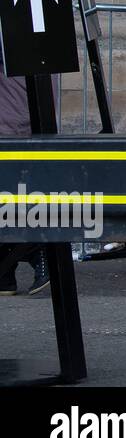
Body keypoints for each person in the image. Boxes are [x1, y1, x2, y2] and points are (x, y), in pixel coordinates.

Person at [0, 53, 48, 296]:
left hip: (15, 99)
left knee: (13, 184)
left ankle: (36, 249)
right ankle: (5, 269)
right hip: (24, 91)